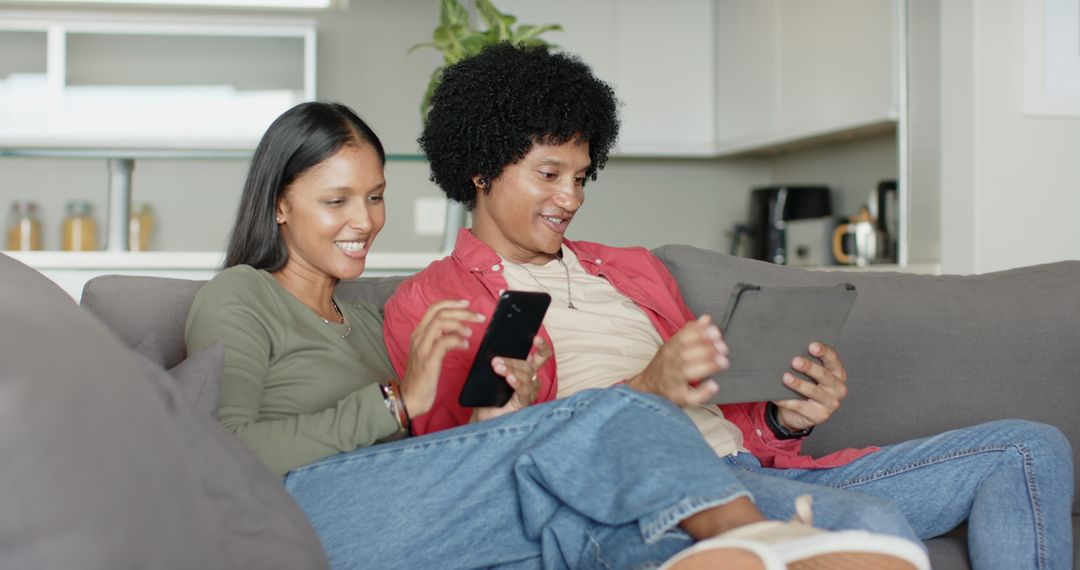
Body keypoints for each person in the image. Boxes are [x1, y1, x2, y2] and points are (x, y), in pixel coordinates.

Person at [382, 43, 1074, 570]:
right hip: (660, 497)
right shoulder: (434, 299)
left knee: (1027, 447)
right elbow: (468, 474)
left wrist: (781, 413)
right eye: (549, 175)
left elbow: (724, 412)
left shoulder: (632, 270)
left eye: (581, 176)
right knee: (869, 530)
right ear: (480, 169)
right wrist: (644, 391)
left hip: (748, 466)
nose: (571, 197)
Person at [184, 101, 929, 570]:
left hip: (408, 516)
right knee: (618, 410)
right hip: (304, 516)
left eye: (376, 196)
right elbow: (229, 454)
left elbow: (426, 466)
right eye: (336, 199)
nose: (365, 220)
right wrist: (394, 400)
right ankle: (764, 534)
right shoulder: (240, 296)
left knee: (606, 526)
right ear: (279, 205)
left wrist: (500, 419)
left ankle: (731, 553)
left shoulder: (370, 319)